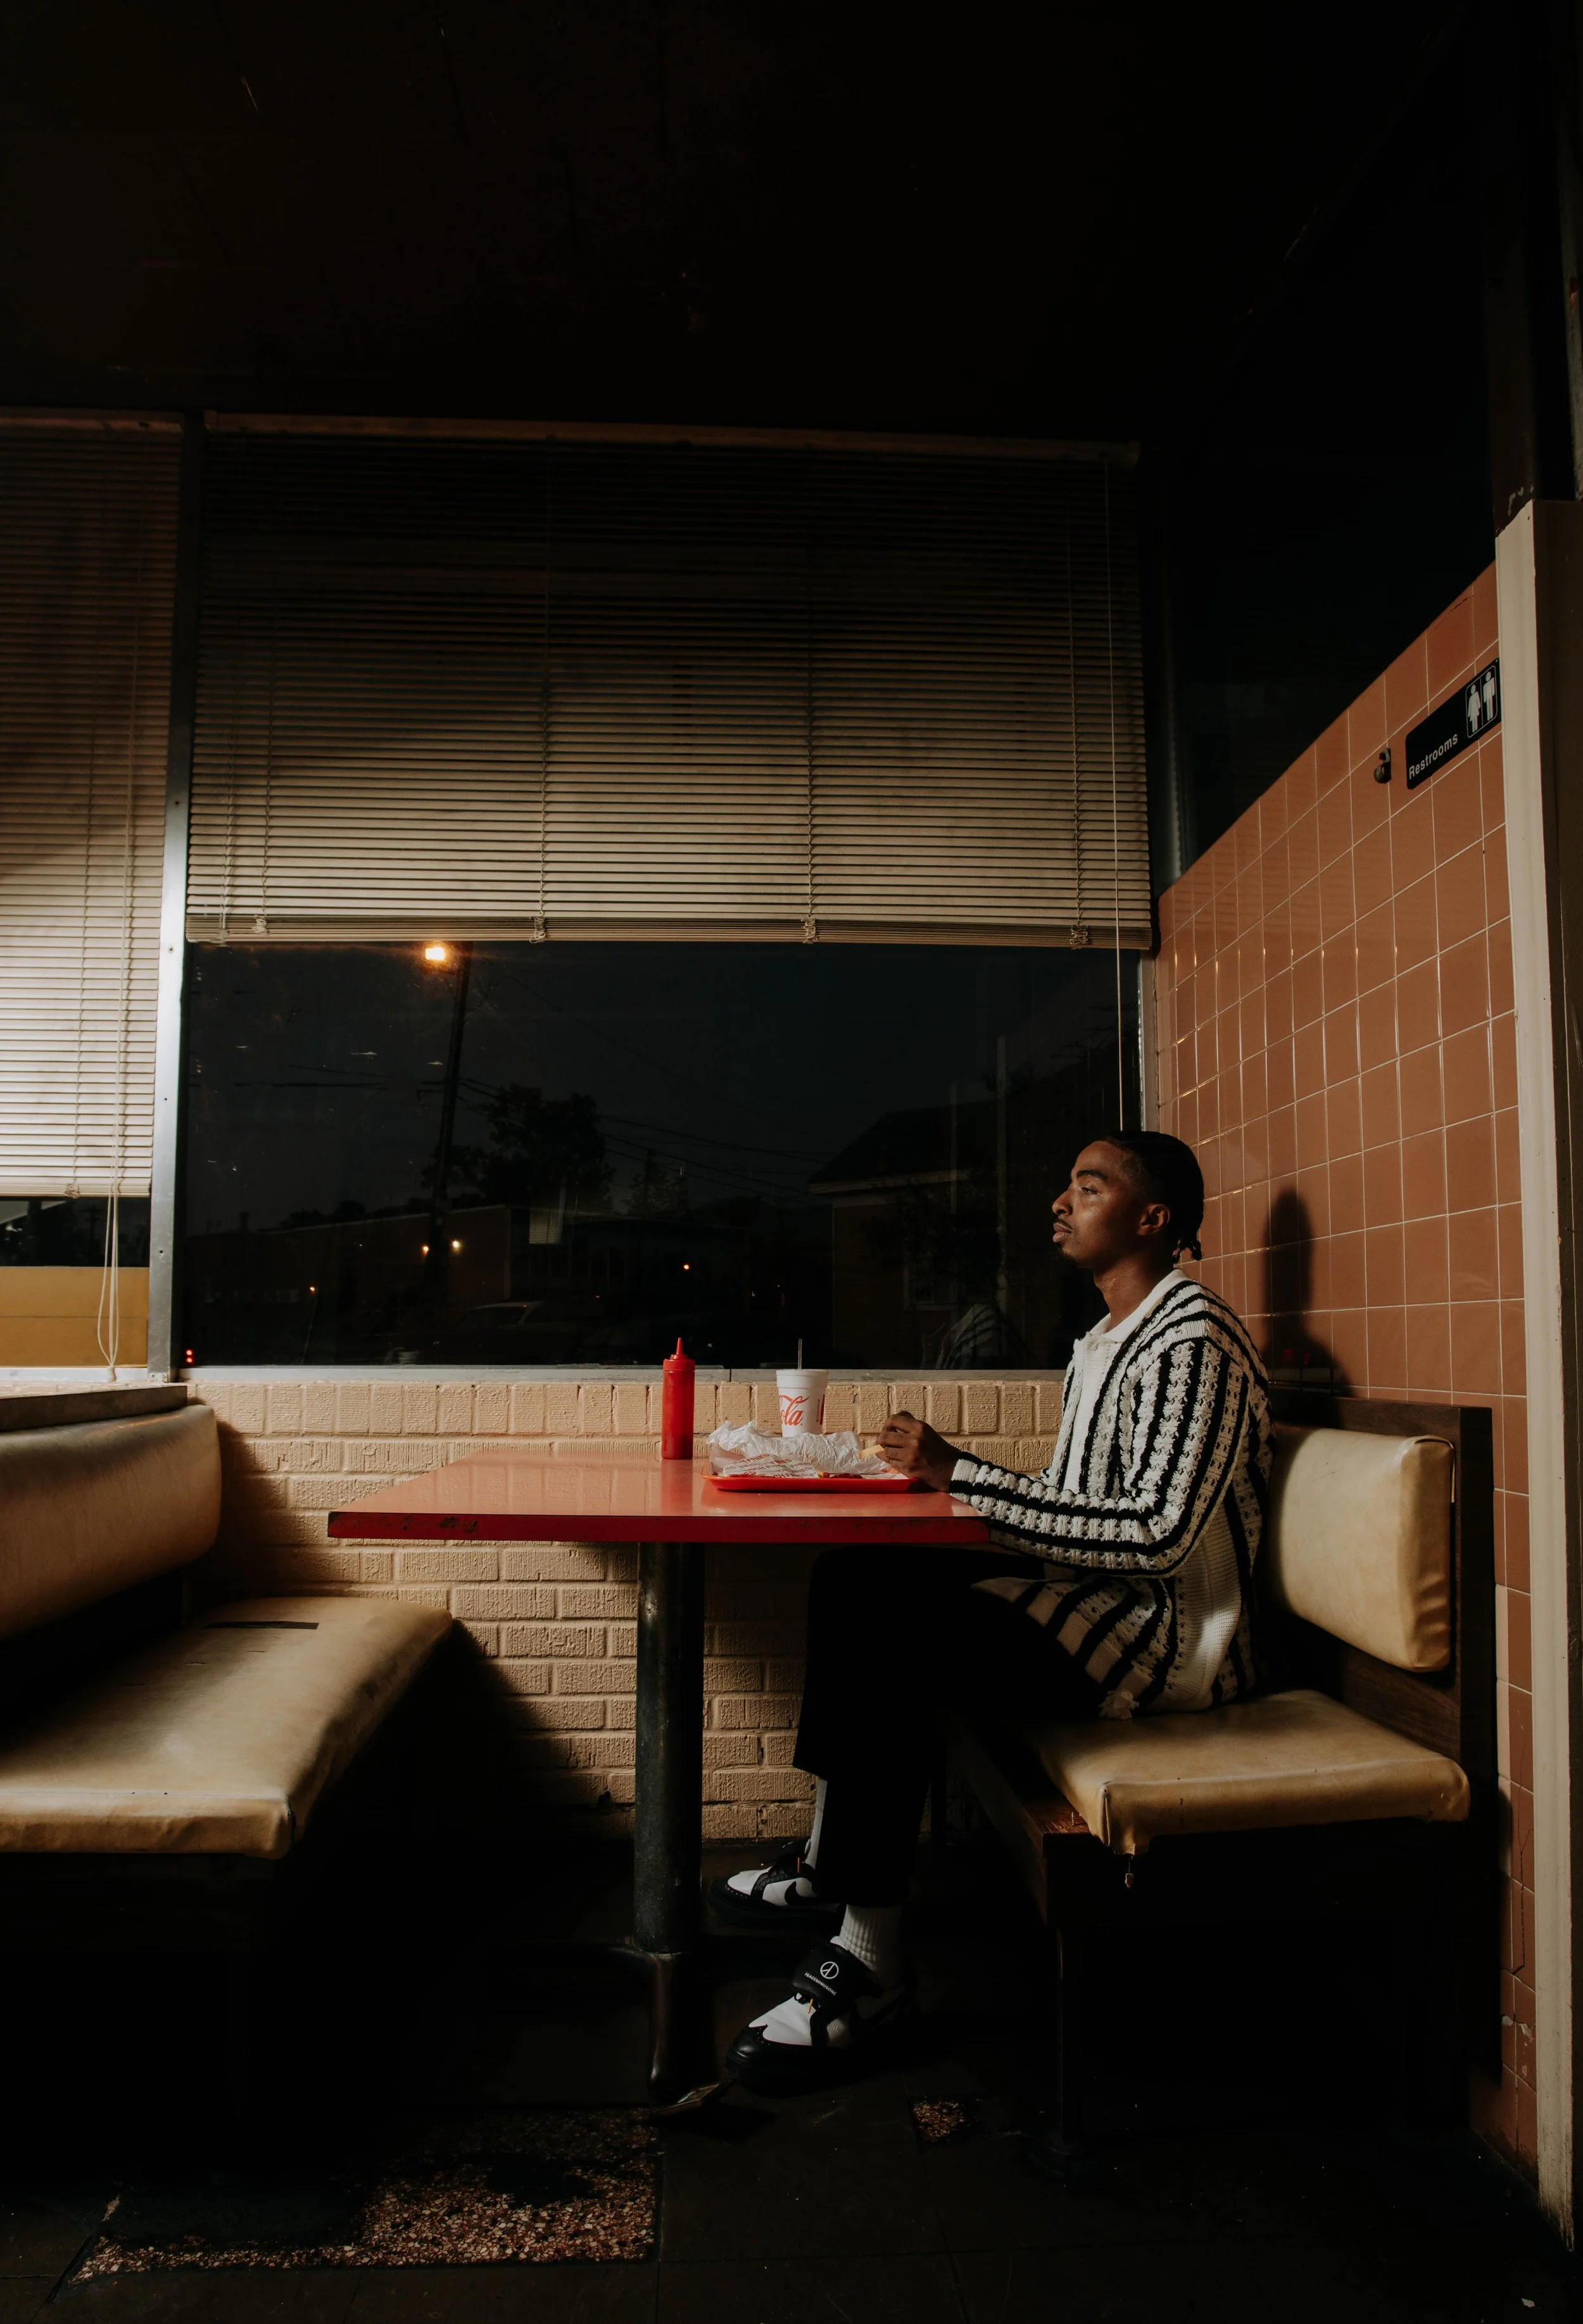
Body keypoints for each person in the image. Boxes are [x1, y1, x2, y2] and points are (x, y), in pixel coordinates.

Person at [714, 1129, 1273, 2093]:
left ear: (1153, 1218)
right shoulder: (1104, 1340)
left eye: (1088, 1186)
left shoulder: (1195, 1341)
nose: (1060, 1201)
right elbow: (1072, 1509)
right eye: (1065, 1183)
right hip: (1083, 1601)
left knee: (902, 1630)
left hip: (1158, 1642)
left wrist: (963, 1475)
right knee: (856, 1574)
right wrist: (939, 1497)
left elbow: (1153, 1536)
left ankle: (873, 1963)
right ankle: (828, 1859)